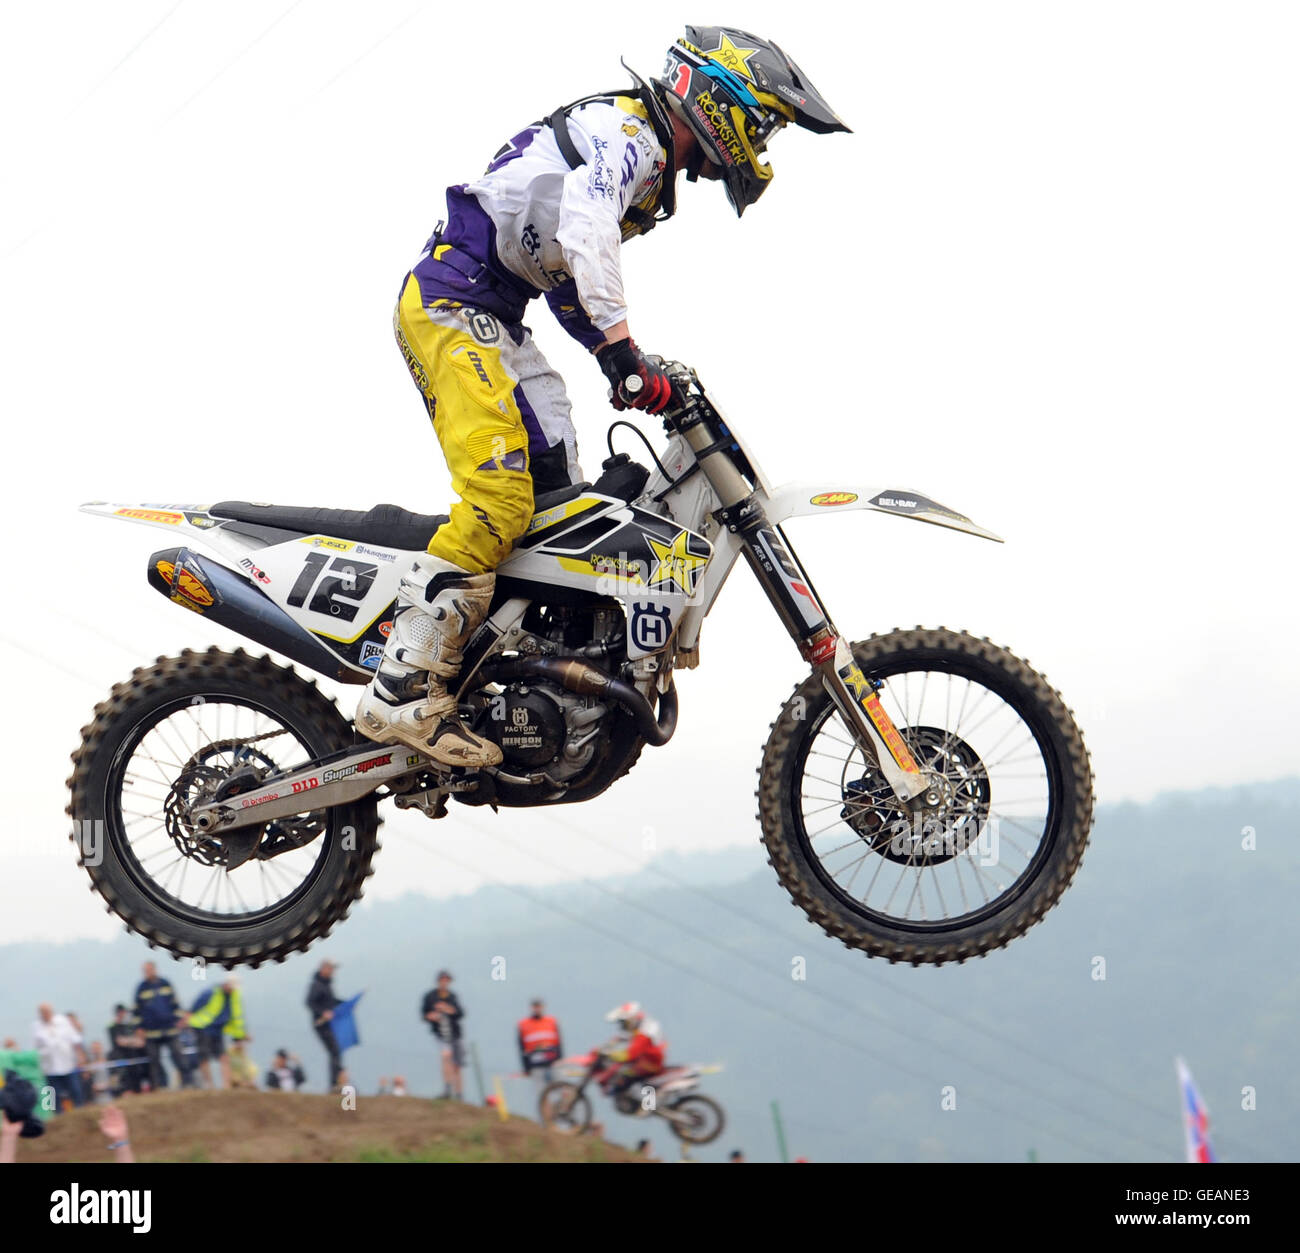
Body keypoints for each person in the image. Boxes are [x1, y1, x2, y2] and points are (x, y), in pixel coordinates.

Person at [354, 26, 848, 766]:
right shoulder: (632, 135)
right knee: (499, 500)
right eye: (766, 121)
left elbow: (564, 278)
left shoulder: (640, 156)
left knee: (555, 498)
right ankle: (401, 686)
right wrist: (620, 351)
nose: (765, 141)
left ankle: (508, 667)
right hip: (452, 305)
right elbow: (587, 231)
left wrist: (623, 359)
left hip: (494, 314)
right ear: (723, 100)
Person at [186, 976, 249, 1090]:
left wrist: (239, 1037)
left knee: (223, 1057)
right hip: (203, 1028)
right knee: (204, 1057)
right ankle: (209, 1085)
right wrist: (188, 1022)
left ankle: (226, 1086)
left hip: (218, 1030)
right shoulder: (211, 992)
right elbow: (194, 1008)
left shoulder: (234, 997)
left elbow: (237, 1018)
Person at [600, 1002, 665, 1101]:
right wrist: (608, 1046)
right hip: (646, 1059)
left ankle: (643, 1101)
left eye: (623, 1023)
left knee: (625, 1073)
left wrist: (610, 1055)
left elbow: (630, 1055)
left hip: (650, 1063)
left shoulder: (643, 1034)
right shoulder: (640, 1025)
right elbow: (621, 1038)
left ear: (630, 1020)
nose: (622, 1026)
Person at [134, 961, 183, 1091]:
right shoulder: (141, 988)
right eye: (145, 971)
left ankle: (187, 1082)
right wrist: (139, 1028)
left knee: (178, 1055)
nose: (147, 973)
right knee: (154, 1061)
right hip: (151, 1033)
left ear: (155, 969)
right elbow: (137, 1011)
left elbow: (175, 1003)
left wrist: (178, 1019)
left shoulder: (165, 983)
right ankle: (159, 1087)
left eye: (149, 970)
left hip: (170, 1030)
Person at [421, 970, 465, 1100]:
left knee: (457, 1064)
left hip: (455, 1034)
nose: (445, 982)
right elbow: (424, 1015)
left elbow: (460, 1013)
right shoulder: (430, 996)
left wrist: (447, 1009)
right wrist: (432, 1016)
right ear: (438, 981)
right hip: (440, 1034)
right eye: (443, 980)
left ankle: (459, 1093)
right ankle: (447, 1089)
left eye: (447, 980)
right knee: (446, 1057)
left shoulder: (453, 997)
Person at [32, 1004, 83, 1112]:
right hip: (50, 1068)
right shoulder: (36, 1026)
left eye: (48, 1011)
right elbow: (35, 1048)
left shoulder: (62, 1021)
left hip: (68, 1064)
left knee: (76, 1090)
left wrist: (80, 1055)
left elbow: (75, 1039)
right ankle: (56, 1117)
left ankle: (80, 1111)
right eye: (43, 1012)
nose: (46, 1014)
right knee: (52, 1095)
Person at [307, 960, 346, 1091]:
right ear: (324, 969)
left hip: (329, 1024)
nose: (333, 972)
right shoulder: (317, 985)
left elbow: (331, 1002)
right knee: (334, 1051)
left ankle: (337, 1081)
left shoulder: (327, 985)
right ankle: (334, 1083)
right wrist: (323, 1013)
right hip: (321, 1024)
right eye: (331, 969)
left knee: (335, 1051)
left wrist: (345, 1004)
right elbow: (310, 1002)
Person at [517, 998, 562, 1083]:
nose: (537, 1009)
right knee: (541, 1091)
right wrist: (526, 1068)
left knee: (560, 1086)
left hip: (553, 1062)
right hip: (536, 1063)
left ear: (543, 1007)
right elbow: (522, 1048)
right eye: (535, 1007)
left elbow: (559, 1043)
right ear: (531, 1008)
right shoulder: (524, 1024)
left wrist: (560, 1060)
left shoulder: (551, 1021)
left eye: (539, 1006)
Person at [106, 1004, 148, 1095]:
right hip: (119, 1059)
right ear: (120, 1012)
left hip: (132, 1058)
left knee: (136, 1084)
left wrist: (129, 1041)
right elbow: (120, 1041)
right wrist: (133, 1041)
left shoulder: (129, 1025)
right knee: (121, 1085)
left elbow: (140, 1042)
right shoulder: (112, 1026)